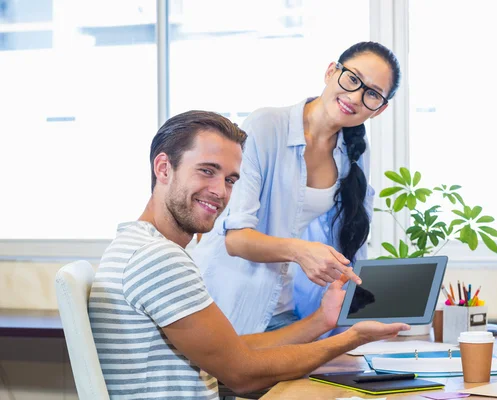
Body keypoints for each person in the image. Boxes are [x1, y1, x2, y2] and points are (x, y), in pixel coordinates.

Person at [88, 111, 409, 399]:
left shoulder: (139, 246)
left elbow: (236, 351)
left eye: (230, 180)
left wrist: (322, 321)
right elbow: (242, 374)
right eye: (206, 171)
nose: (220, 191)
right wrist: (351, 339)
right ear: (163, 168)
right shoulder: (157, 259)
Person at [192, 41, 401, 334]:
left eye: (372, 94)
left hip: (283, 304)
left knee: (335, 375)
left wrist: (351, 329)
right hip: (223, 302)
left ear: (380, 109)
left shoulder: (354, 152)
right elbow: (235, 239)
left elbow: (353, 248)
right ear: (331, 72)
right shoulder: (267, 126)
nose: (355, 97)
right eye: (352, 79)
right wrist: (301, 252)